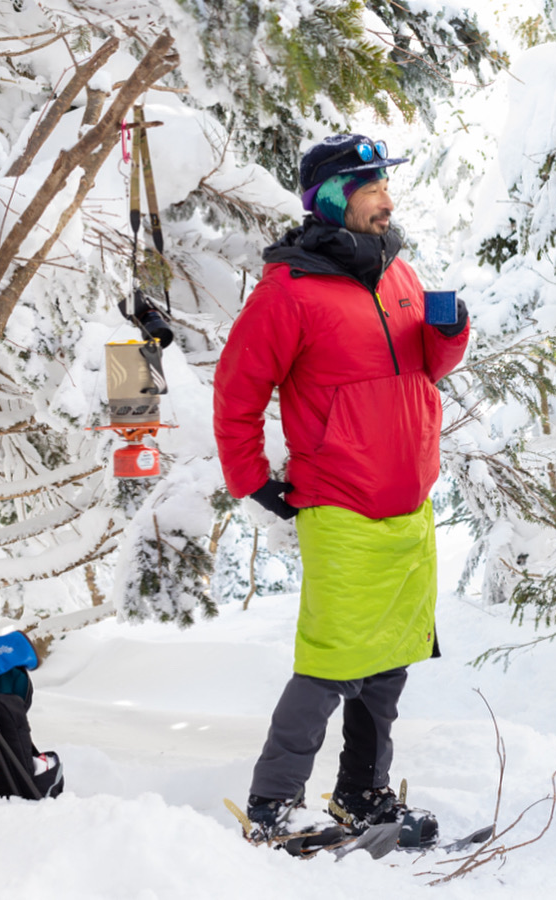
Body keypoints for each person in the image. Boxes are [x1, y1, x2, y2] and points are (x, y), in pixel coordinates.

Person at [212, 133, 470, 849]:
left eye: (385, 185)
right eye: (370, 187)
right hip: (342, 504)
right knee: (330, 663)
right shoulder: (288, 292)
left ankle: (363, 792)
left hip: (407, 502)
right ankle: (272, 804)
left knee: (387, 663)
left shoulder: (399, 275)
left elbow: (426, 367)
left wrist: (450, 333)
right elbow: (237, 392)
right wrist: (254, 480)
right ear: (332, 198)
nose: (387, 200)